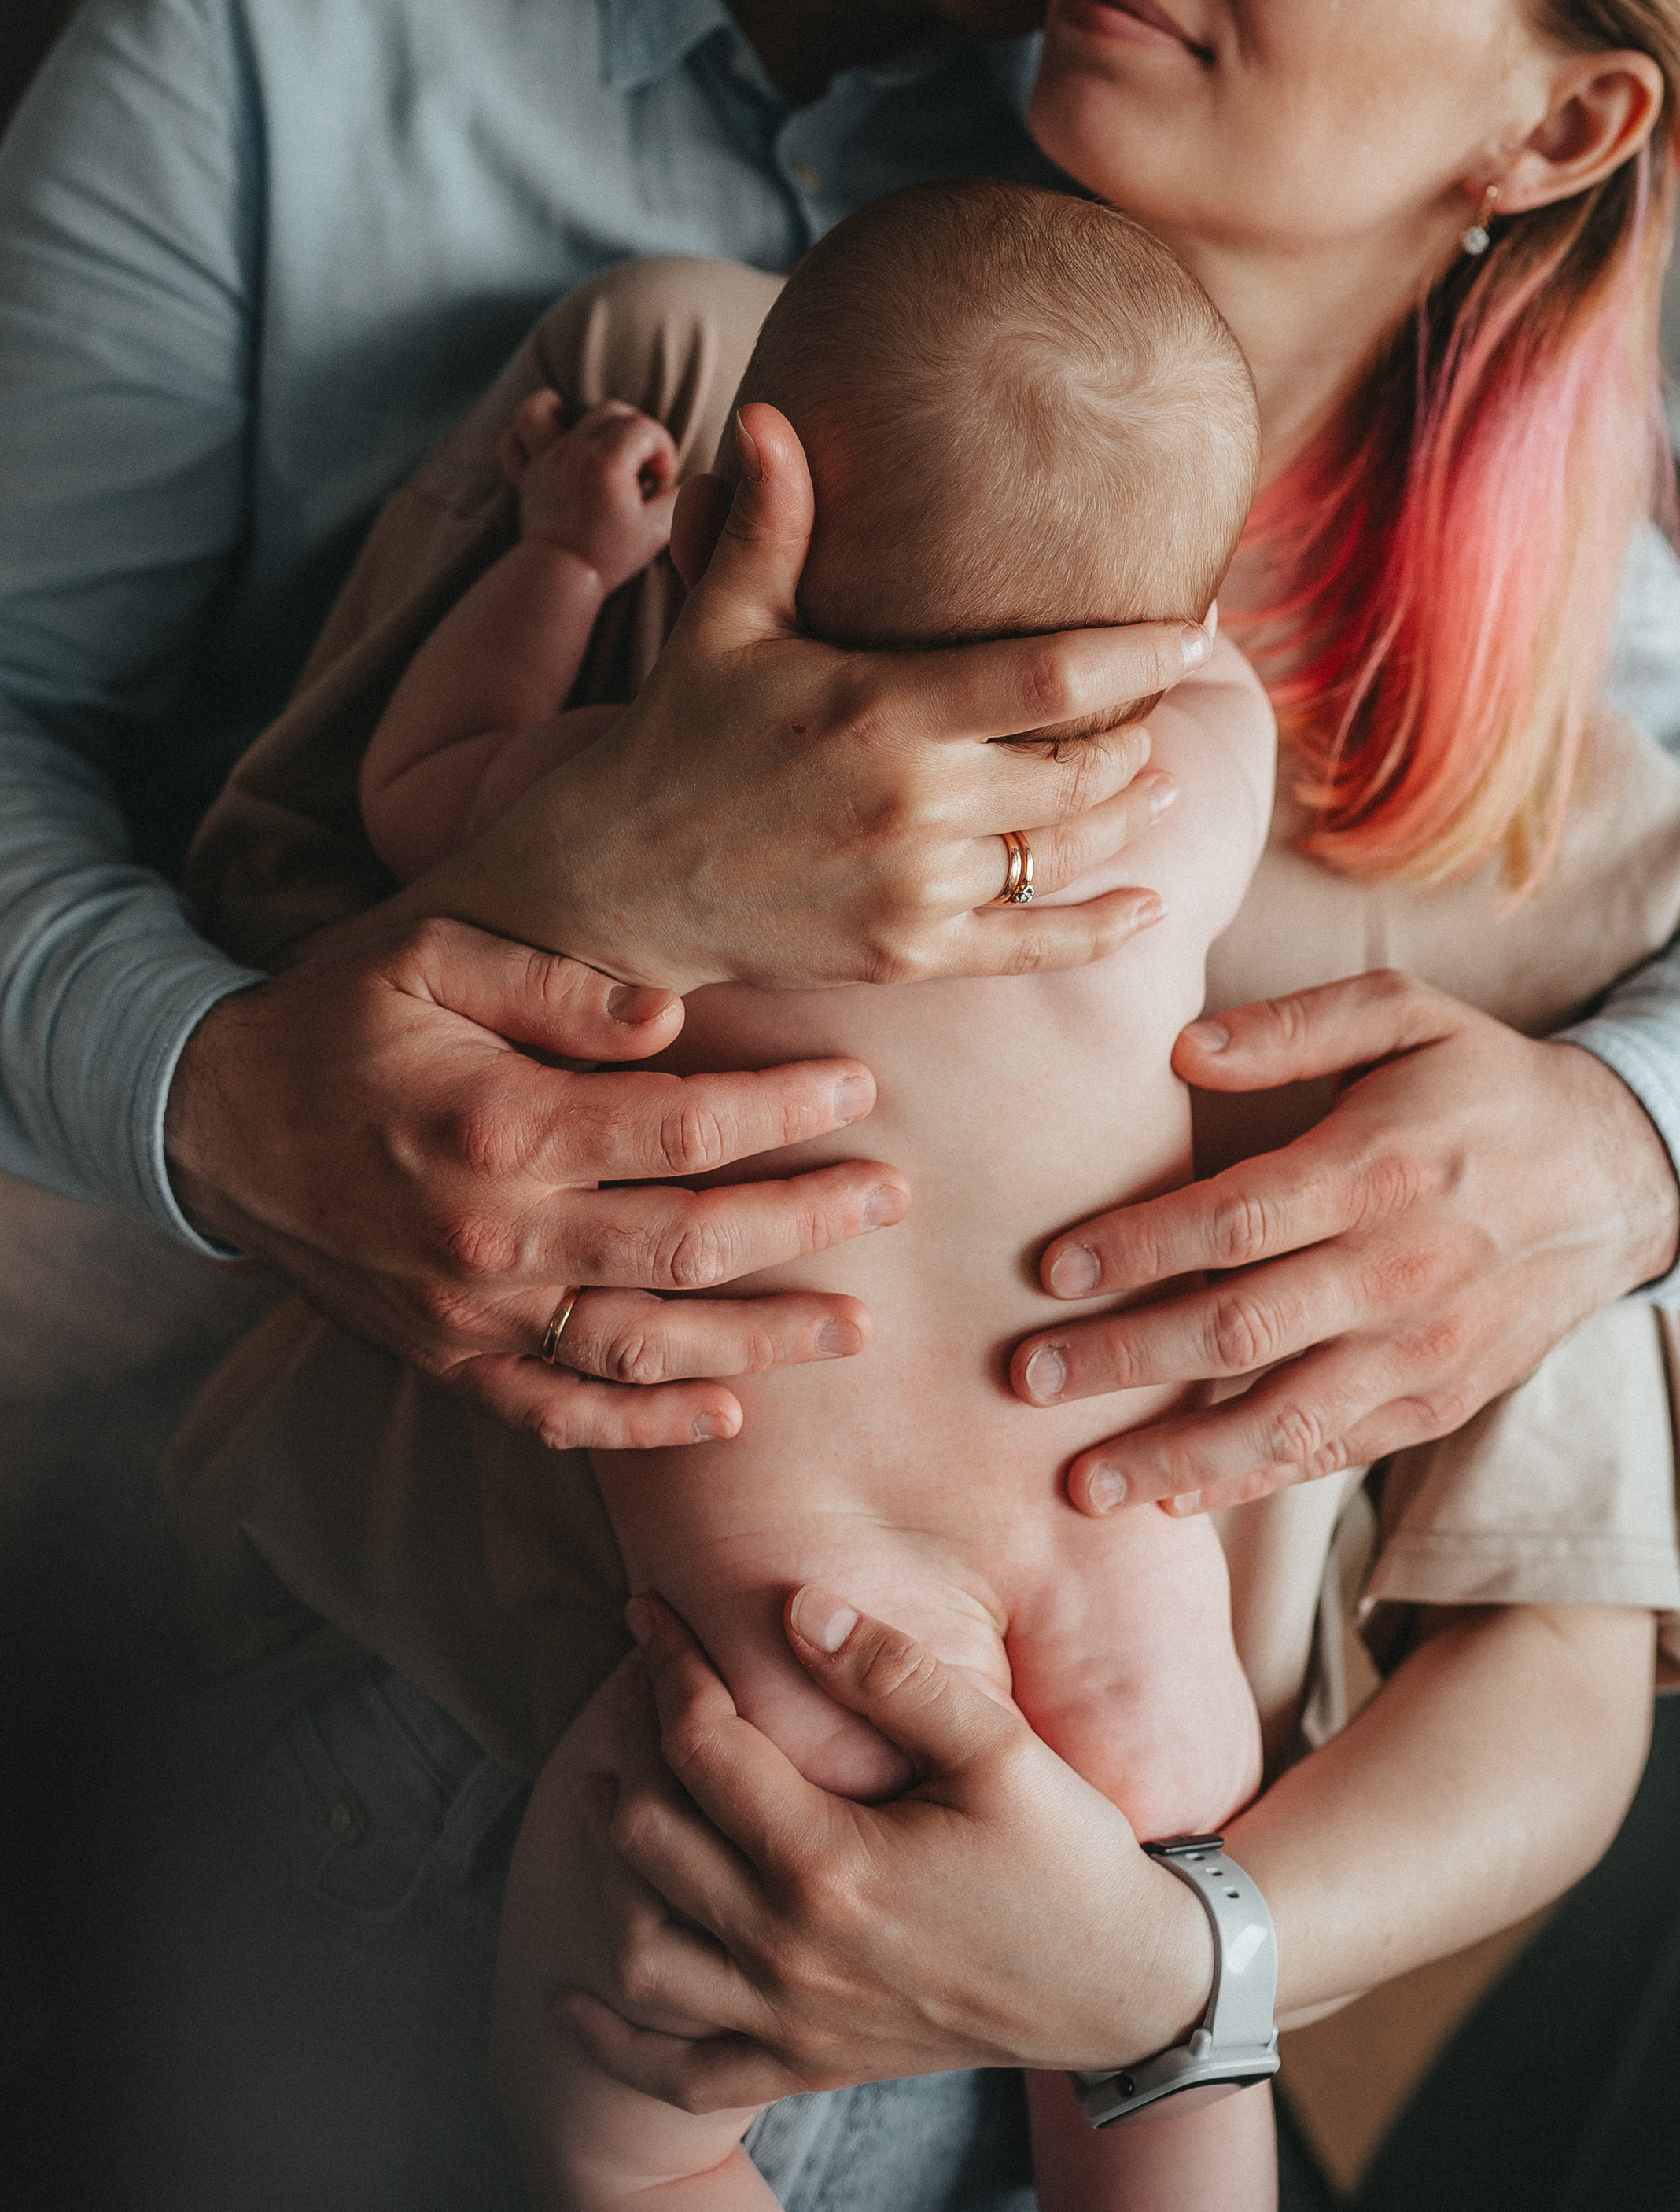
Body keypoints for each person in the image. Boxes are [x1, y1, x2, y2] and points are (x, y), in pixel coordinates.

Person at [0, 0, 1680, 2195]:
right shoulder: (650, 310)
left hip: (1019, 1927)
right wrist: (318, 1048)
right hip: (228, 1660)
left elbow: (1559, 1544)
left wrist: (1629, 1148)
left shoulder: (1517, 736)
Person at [362, 182, 1280, 2209]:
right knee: (1151, 2049)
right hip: (1138, 1647)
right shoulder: (1166, 820)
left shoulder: (637, 828)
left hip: (790, 1668)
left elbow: (413, 790)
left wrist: (565, 559)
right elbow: (1226, 705)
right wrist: (1180, 643)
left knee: (610, 2110)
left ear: (727, 525)